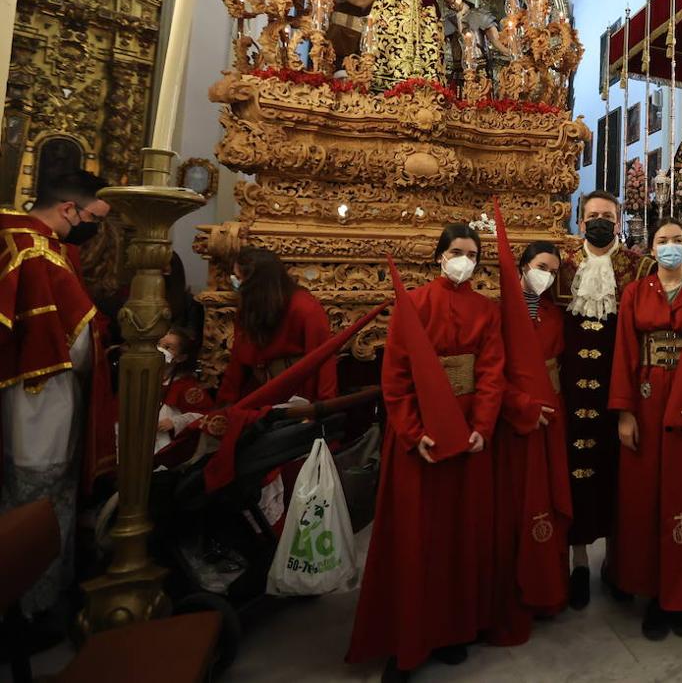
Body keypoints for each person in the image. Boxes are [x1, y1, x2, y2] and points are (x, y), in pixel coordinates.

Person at [349, 223, 505, 681]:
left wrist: (482, 427)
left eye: (472, 254)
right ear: (439, 256)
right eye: (456, 251)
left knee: (461, 535)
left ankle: (454, 629)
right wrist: (412, 432)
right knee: (416, 540)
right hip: (421, 440)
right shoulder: (412, 304)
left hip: (468, 435)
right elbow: (395, 378)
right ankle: (407, 639)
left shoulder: (487, 310)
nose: (464, 260)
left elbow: (492, 372)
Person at [0, 170, 115, 638]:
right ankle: (36, 612)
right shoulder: (41, 252)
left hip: (10, 391)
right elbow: (80, 345)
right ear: (69, 209)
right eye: (94, 218)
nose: (93, 230)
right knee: (43, 501)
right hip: (41, 397)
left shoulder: (6, 232)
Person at [609, 219, 682, 640]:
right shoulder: (635, 293)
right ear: (651, 248)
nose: (670, 247)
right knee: (645, 495)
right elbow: (623, 352)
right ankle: (653, 592)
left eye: (677, 240)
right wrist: (623, 412)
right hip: (646, 396)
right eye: (662, 241)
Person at [556, 190, 643, 608]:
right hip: (571, 390)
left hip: (618, 387)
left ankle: (615, 561)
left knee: (617, 473)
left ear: (619, 220)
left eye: (608, 216)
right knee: (575, 472)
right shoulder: (562, 267)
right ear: (580, 219)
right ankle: (577, 562)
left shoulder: (637, 267)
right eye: (593, 216)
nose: (600, 222)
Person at [488, 240, 565, 646]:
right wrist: (521, 405)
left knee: (549, 501)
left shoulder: (553, 313)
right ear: (521, 266)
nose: (546, 276)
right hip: (516, 419)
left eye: (553, 270)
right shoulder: (499, 313)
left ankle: (549, 588)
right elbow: (492, 373)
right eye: (540, 266)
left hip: (553, 413)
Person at [217, 247, 337, 405]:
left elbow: (323, 359)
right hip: (259, 395)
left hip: (297, 400)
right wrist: (223, 406)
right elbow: (237, 360)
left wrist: (324, 408)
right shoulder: (249, 307)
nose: (236, 285)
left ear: (256, 283)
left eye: (239, 279)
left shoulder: (304, 307)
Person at [154, 326, 213, 456]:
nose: (160, 350)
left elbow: (204, 415)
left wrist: (175, 422)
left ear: (180, 358)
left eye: (168, 347)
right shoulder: (143, 376)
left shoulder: (186, 386)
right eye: (159, 344)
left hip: (164, 441)